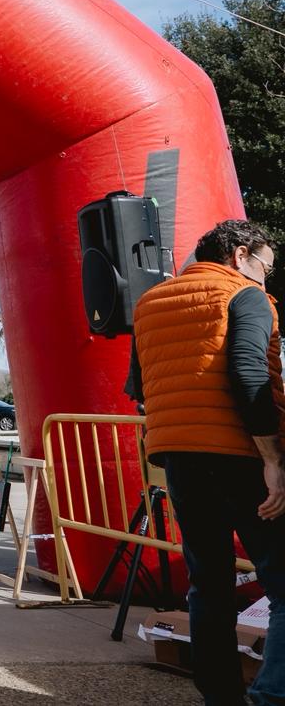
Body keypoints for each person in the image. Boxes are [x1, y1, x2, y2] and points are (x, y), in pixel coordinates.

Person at [133, 219, 281, 706]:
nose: (266, 279)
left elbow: (140, 391)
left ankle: (220, 698)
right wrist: (272, 459)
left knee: (209, 583)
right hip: (242, 456)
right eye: (265, 267)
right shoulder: (244, 295)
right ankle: (271, 694)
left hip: (180, 459)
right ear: (240, 255)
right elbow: (248, 373)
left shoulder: (151, 302)